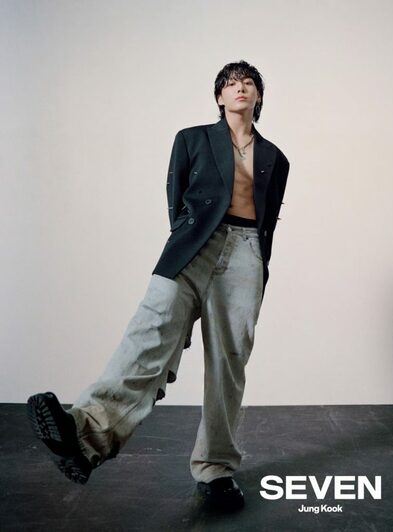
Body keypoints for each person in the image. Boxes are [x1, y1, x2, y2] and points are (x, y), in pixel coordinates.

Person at [27, 60, 290, 512]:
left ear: (258, 96)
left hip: (246, 252)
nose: (240, 88)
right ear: (219, 97)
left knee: (229, 361)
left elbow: (268, 219)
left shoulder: (275, 158)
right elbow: (176, 197)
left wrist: (258, 264)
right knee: (149, 331)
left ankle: (216, 469)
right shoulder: (192, 139)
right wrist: (186, 236)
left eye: (248, 83)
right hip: (194, 243)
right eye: (231, 83)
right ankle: (84, 433)